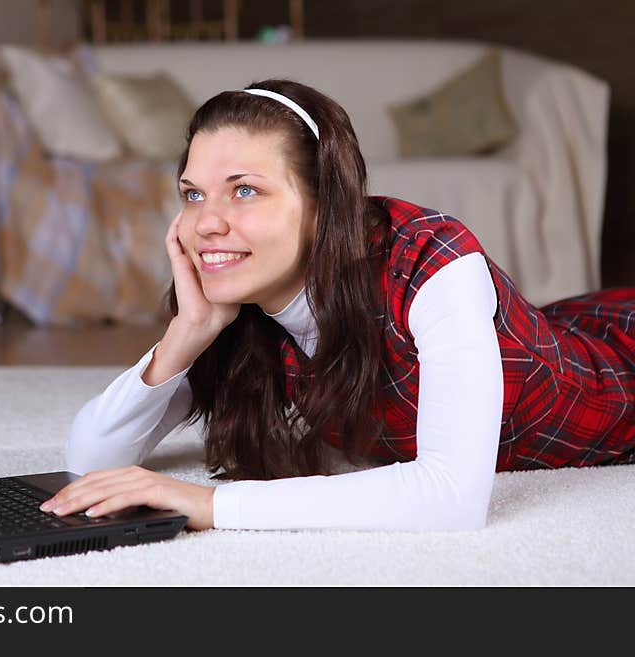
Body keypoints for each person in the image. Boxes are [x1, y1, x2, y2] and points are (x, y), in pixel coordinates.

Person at [38, 79, 635, 532]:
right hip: (557, 323)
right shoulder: (241, 305)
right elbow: (92, 460)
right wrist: (187, 332)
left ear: (326, 204)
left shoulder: (433, 261)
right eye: (193, 194)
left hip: (615, 370)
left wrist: (211, 503)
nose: (207, 223)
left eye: (244, 190)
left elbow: (453, 498)